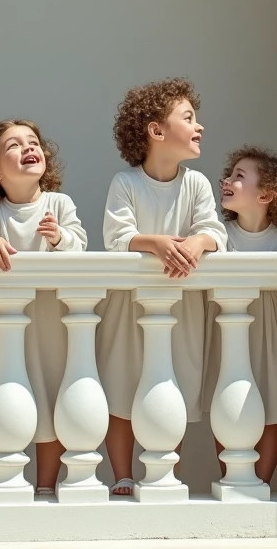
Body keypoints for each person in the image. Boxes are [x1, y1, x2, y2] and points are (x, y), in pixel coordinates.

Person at [96, 78, 226, 496]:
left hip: (180, 305)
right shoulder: (126, 183)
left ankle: (166, 471)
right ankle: (122, 475)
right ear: (156, 131)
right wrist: (157, 244)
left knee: (174, 386)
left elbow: (213, 232)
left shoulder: (197, 184)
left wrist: (195, 243)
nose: (199, 126)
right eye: (188, 118)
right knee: (122, 385)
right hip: (129, 306)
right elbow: (118, 237)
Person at [0, 118, 87, 495]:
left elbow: (79, 243)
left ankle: (46, 487)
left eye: (32, 142)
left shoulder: (58, 204)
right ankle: (5, 481)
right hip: (1, 323)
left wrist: (59, 236)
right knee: (1, 396)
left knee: (49, 398)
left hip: (49, 321)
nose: (28, 148)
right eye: (14, 145)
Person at [202, 145, 277, 485]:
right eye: (230, 174)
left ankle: (260, 482)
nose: (226, 180)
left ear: (266, 195)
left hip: (269, 337)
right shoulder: (219, 235)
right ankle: (232, 478)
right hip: (227, 335)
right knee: (226, 405)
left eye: (239, 176)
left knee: (272, 408)